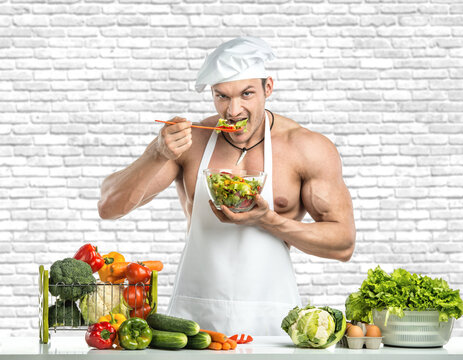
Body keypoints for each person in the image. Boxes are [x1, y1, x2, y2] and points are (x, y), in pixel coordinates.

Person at [98, 37, 355, 335]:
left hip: (273, 318)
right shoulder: (190, 143)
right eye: (222, 97)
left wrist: (269, 220)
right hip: (193, 321)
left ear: (268, 88)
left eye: (246, 94)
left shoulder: (306, 148)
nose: (233, 111)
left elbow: (344, 243)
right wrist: (157, 154)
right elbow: (109, 207)